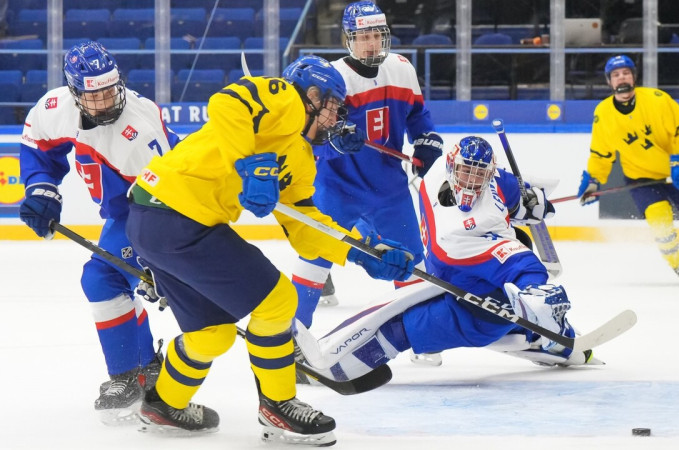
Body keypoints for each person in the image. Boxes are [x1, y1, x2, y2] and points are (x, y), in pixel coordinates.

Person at [125, 55, 415, 446]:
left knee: (212, 335)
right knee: (279, 301)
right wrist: (250, 165)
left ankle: (164, 404)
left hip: (158, 221)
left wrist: (363, 251)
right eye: (331, 106)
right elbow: (228, 102)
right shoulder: (284, 101)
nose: (334, 118)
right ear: (312, 95)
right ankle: (278, 407)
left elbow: (305, 226)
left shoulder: (300, 159)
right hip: (175, 215)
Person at [293, 136, 599, 383]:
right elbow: (519, 255)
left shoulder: (454, 183)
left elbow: (515, 217)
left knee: (402, 329)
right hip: (461, 283)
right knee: (409, 318)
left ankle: (541, 330)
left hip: (472, 301)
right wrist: (536, 281)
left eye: (480, 174)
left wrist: (527, 201)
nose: (472, 180)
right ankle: (549, 333)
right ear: (453, 166)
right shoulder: (468, 220)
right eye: (466, 171)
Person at [18, 41, 180, 425]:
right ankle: (145, 368)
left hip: (157, 209)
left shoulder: (137, 129)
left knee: (103, 279)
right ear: (75, 93)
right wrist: (41, 187)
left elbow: (171, 198)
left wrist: (163, 257)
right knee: (111, 282)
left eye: (111, 90)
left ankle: (130, 373)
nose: (106, 101)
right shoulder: (57, 108)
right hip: (125, 210)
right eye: (95, 95)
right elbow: (38, 145)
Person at [290, 0, 444, 365]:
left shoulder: (402, 68)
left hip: (389, 188)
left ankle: (421, 336)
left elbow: (418, 115)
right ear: (349, 39)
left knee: (412, 265)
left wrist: (426, 139)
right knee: (313, 259)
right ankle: (291, 341)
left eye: (377, 35)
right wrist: (333, 144)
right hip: (337, 189)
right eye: (363, 37)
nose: (371, 44)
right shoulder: (331, 78)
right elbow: (309, 141)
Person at [576, 55, 679, 284]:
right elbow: (601, 153)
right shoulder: (603, 113)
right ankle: (677, 264)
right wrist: (594, 179)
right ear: (609, 82)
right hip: (641, 176)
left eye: (626, 72)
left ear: (634, 76)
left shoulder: (658, 100)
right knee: (659, 220)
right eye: (615, 74)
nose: (621, 77)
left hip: (677, 173)